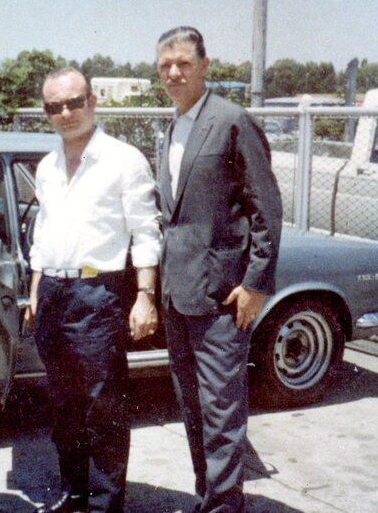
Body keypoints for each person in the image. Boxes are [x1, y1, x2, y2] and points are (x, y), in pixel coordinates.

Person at [154, 27, 283, 513]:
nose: (174, 73)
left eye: (184, 63)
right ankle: (206, 498)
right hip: (178, 295)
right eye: (165, 65)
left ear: (205, 66)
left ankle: (225, 506)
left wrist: (255, 284)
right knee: (193, 408)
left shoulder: (232, 121)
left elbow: (266, 209)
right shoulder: (172, 128)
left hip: (222, 298)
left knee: (222, 413)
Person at [25, 67, 161, 513]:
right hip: (52, 294)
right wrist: (36, 289)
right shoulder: (47, 166)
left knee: (104, 407)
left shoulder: (124, 160)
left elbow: (146, 231)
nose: (65, 113)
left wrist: (145, 296)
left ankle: (105, 505)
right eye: (55, 106)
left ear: (93, 101)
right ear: (46, 111)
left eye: (74, 102)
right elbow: (43, 233)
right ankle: (75, 493)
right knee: (64, 405)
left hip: (97, 294)